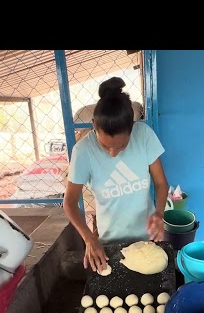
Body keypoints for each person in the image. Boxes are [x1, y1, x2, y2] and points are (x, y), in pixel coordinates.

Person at [64, 77, 170, 273]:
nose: (113, 153)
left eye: (121, 146)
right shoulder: (83, 151)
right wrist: (89, 238)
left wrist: (159, 213)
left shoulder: (144, 136)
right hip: (108, 243)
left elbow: (161, 183)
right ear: (94, 124)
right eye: (105, 146)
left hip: (146, 239)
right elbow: (69, 202)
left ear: (132, 127)